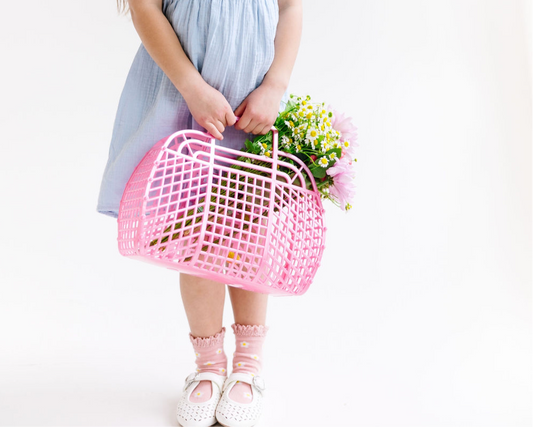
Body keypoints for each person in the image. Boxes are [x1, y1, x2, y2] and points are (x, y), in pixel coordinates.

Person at [96, 0, 302, 426]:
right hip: (182, 95)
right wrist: (191, 87)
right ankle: (208, 364)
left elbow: (290, 7)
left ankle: (248, 367)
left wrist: (275, 86)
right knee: (196, 234)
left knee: (246, 228)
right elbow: (143, 7)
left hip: (250, 104)